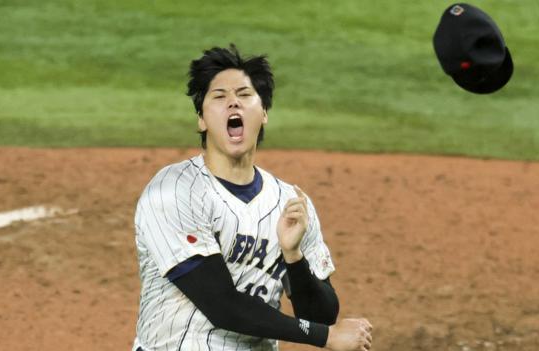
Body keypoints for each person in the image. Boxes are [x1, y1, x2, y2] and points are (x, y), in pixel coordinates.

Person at [132, 44, 373, 351]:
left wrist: (294, 258)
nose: (233, 103)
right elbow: (222, 305)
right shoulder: (173, 191)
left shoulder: (291, 204)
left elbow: (321, 315)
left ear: (264, 114)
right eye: (219, 97)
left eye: (244, 95)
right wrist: (326, 337)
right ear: (202, 120)